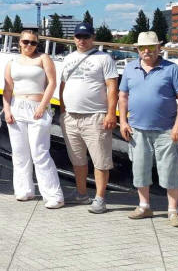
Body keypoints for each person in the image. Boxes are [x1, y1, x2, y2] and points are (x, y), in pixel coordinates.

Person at [119, 31, 178, 228]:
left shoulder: (172, 69)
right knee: (139, 169)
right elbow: (123, 96)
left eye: (151, 47)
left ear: (159, 48)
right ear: (137, 49)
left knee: (170, 171)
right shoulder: (130, 68)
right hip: (137, 130)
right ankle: (144, 206)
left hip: (166, 130)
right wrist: (123, 122)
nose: (146, 51)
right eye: (142, 47)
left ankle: (173, 211)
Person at [59, 22, 118, 213]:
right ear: (74, 38)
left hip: (95, 116)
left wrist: (111, 113)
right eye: (78, 37)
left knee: (100, 160)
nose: (82, 40)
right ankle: (81, 194)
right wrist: (63, 111)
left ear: (93, 38)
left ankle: (100, 198)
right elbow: (63, 85)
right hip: (71, 117)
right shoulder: (68, 58)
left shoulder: (104, 58)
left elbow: (112, 87)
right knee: (77, 159)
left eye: (86, 37)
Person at [3, 30, 64, 208]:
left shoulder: (44, 58)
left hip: (37, 106)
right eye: (26, 42)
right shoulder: (11, 62)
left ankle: (54, 195)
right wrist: (7, 110)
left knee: (40, 152)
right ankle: (24, 190)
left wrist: (42, 106)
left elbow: (52, 83)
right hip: (17, 107)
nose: (29, 45)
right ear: (19, 42)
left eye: (33, 42)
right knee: (19, 152)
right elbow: (7, 89)